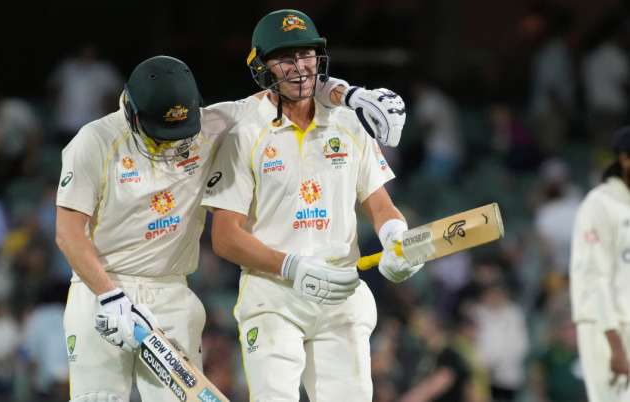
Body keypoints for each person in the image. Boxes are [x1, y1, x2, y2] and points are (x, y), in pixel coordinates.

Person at [55, 53, 402, 402]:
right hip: (99, 288)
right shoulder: (94, 141)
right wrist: (109, 295)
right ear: (132, 113)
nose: (173, 145)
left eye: (180, 134)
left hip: (170, 292)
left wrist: (353, 95)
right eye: (162, 135)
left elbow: (285, 88)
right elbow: (68, 233)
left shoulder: (210, 124)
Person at [201, 9, 422, 401]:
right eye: (286, 59)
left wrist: (395, 237)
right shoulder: (244, 130)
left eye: (306, 56)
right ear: (263, 67)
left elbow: (380, 204)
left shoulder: (348, 122)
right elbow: (224, 236)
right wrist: (292, 266)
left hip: (341, 292)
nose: (300, 68)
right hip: (273, 296)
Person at [570, 125, 630, 401]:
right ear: (624, 159)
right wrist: (615, 346)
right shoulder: (600, 203)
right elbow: (594, 277)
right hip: (604, 328)